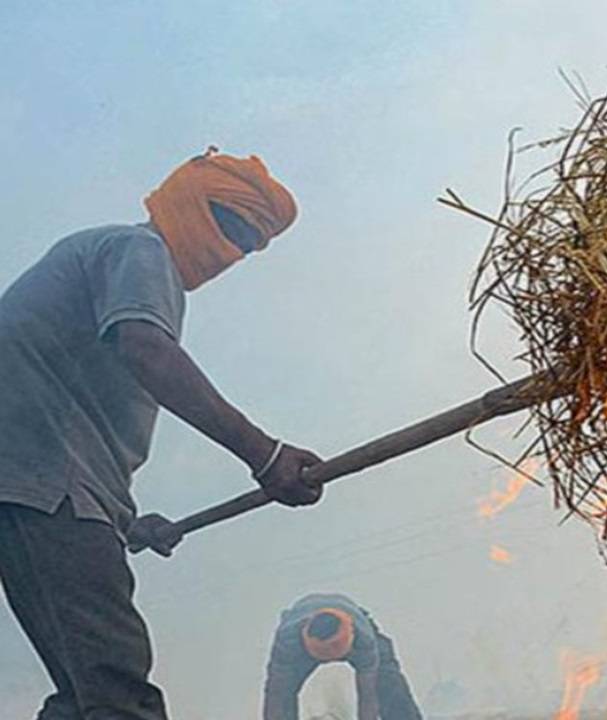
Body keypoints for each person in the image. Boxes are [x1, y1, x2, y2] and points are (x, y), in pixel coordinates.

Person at [0, 147, 325, 719]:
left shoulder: (110, 259)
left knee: (86, 698)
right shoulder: (139, 249)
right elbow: (147, 351)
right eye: (228, 226)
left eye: (247, 246)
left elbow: (67, 408)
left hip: (47, 494)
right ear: (185, 201)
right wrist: (265, 454)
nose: (231, 252)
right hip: (51, 494)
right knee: (117, 694)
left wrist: (125, 520)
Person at [264, 593, 423, 720]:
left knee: (389, 680)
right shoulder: (289, 642)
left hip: (355, 621)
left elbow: (368, 694)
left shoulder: (363, 639)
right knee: (282, 699)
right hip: (300, 631)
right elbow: (276, 694)